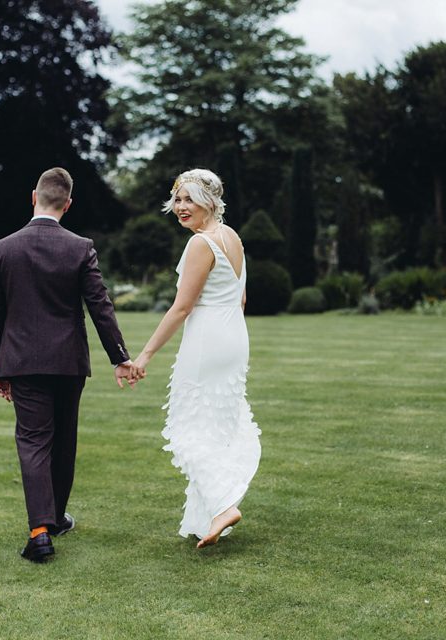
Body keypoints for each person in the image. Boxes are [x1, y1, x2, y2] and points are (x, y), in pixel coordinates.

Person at [0, 167, 135, 562]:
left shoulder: (2, 249)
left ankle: (41, 531)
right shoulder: (80, 247)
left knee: (34, 441)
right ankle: (50, 523)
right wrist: (120, 357)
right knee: (63, 440)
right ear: (68, 205)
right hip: (68, 363)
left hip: (21, 362)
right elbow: (99, 305)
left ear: (33, 197)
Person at [131, 168, 261, 549]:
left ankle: (223, 506)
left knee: (187, 428)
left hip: (207, 341)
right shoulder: (232, 237)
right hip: (235, 338)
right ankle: (206, 519)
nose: (181, 207)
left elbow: (181, 308)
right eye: (178, 200)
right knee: (215, 425)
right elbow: (240, 298)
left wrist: (145, 355)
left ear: (210, 202)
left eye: (190, 199)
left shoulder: (200, 244)